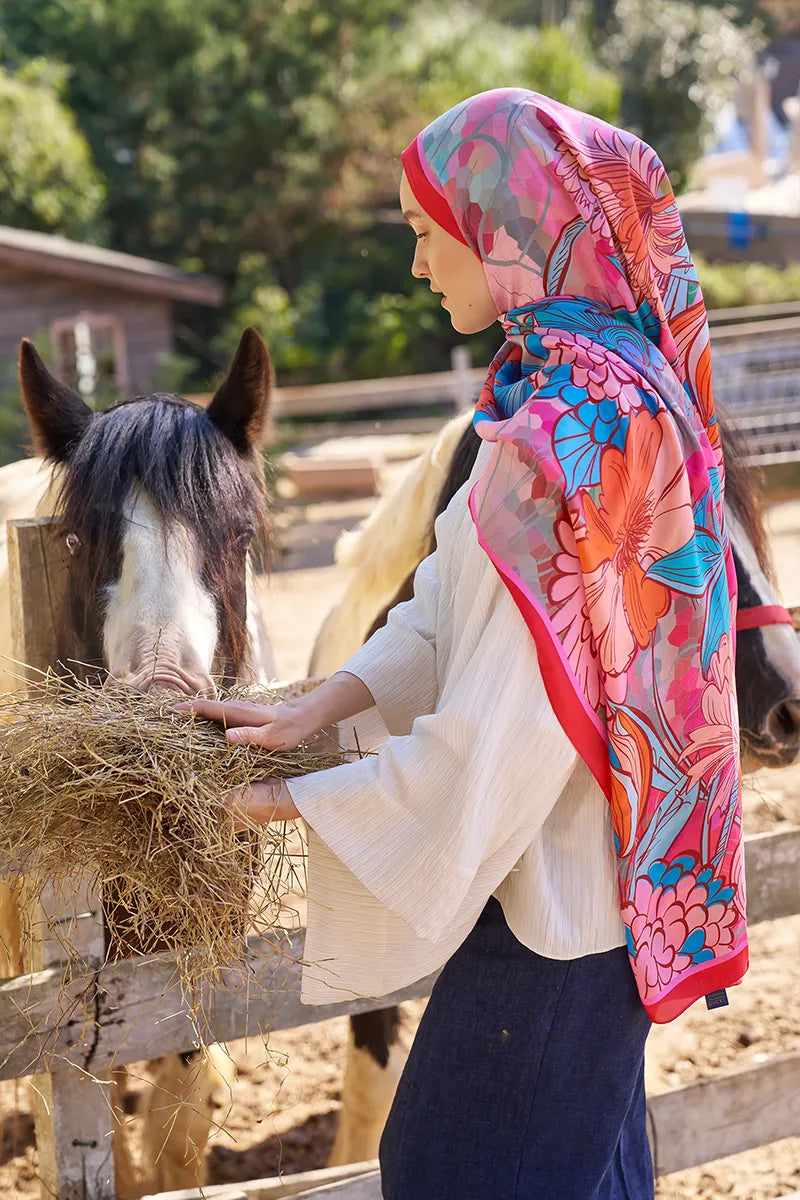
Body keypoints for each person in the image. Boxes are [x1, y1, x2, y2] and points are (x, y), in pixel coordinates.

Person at [184, 88, 747, 1199]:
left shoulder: (562, 435)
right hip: (607, 894)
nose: (411, 265)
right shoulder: (595, 384)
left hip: (563, 915)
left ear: (502, 225)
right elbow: (452, 599)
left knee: (448, 1167)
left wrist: (294, 797)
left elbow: (495, 740)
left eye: (418, 230)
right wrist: (318, 707)